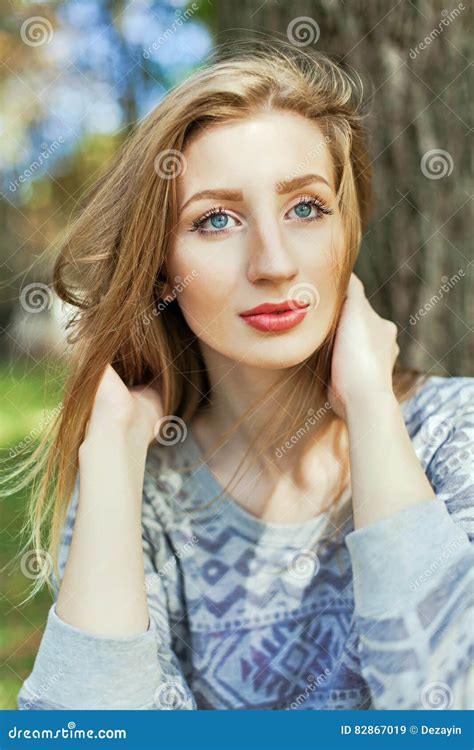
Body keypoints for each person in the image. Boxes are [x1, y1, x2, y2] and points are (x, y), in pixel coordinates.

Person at [16, 40, 473, 711]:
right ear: (161, 266)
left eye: (306, 208)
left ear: (347, 230)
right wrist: (110, 451)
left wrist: (372, 407)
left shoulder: (455, 435)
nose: (274, 262)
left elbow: (452, 704)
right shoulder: (141, 495)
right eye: (217, 220)